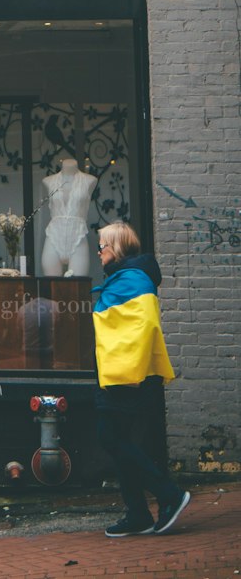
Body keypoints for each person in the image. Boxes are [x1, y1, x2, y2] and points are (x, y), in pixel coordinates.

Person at [93, 221, 190, 538]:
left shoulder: (133, 278)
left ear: (117, 247)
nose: (99, 251)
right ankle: (137, 513)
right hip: (121, 372)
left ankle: (169, 495)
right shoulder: (125, 277)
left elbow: (142, 328)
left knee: (111, 438)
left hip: (127, 375)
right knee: (119, 440)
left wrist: (128, 372)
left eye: (102, 245)